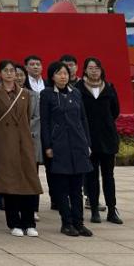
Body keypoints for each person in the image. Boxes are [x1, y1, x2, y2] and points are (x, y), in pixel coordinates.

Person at [0, 60, 42, 237]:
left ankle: (29, 222)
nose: (10, 74)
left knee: (28, 181)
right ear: (0, 73)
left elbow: (27, 116)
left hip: (24, 142)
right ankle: (14, 222)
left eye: (13, 71)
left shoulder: (25, 94)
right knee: (10, 183)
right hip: (5, 142)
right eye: (6, 70)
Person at [41, 60, 93, 237]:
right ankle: (67, 223)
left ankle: (79, 223)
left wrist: (87, 143)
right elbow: (45, 122)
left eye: (65, 73)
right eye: (59, 73)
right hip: (59, 145)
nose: (63, 76)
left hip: (78, 144)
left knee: (77, 188)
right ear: (52, 76)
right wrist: (47, 146)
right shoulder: (47, 94)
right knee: (62, 188)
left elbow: (83, 119)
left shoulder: (76, 93)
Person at [78, 57, 122, 225]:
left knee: (108, 176)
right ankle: (95, 209)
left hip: (107, 138)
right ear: (85, 70)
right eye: (90, 68)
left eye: (97, 68)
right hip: (88, 139)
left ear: (101, 70)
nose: (94, 71)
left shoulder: (109, 87)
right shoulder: (79, 88)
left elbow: (115, 111)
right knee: (91, 176)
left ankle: (112, 210)